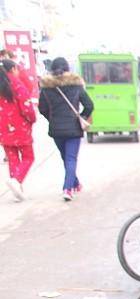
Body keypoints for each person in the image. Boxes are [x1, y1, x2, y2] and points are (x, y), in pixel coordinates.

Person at [38, 57, 94, 201]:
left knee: (66, 158)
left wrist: (52, 119)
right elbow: (89, 105)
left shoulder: (46, 87)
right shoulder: (76, 85)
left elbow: (42, 108)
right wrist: (81, 117)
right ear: (68, 68)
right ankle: (67, 189)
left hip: (56, 129)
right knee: (70, 159)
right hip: (74, 128)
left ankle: (75, 183)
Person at [0, 65, 35, 201]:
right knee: (28, 157)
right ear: (13, 69)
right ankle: (16, 180)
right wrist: (32, 119)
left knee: (13, 159)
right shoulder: (15, 84)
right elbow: (26, 107)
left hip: (3, 129)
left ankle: (17, 191)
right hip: (19, 127)